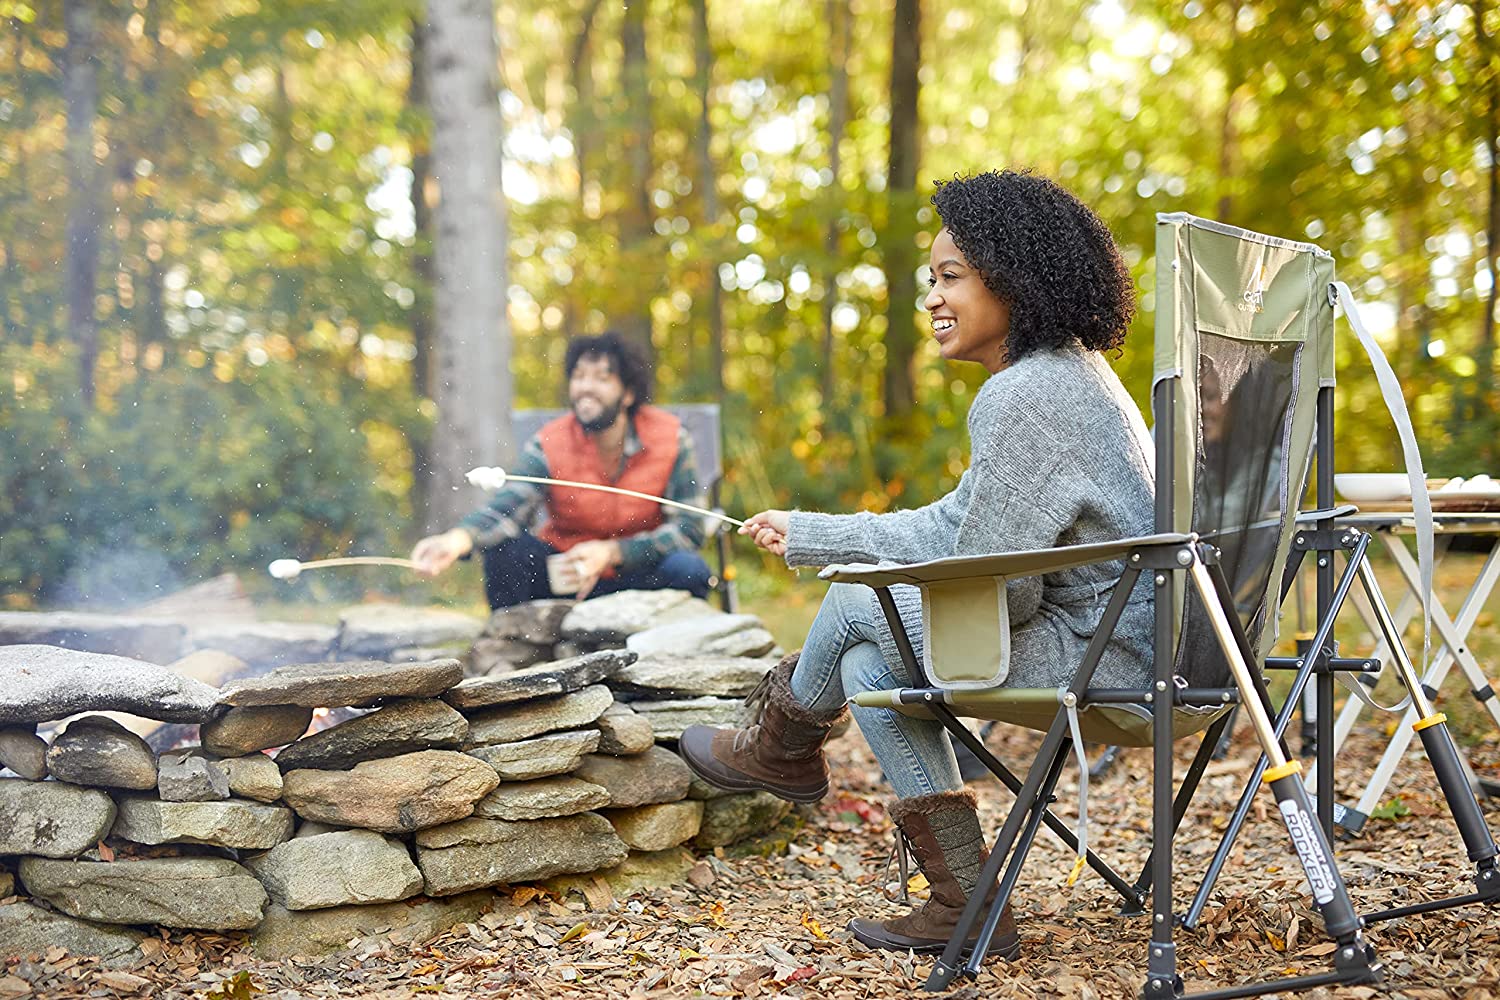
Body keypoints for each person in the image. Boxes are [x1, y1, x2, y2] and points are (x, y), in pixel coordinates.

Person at [680, 170, 1154, 958]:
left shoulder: (1024, 396)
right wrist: (810, 532)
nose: (932, 298)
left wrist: (852, 568)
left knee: (858, 607)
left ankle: (783, 749)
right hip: (1137, 650)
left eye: (952, 277)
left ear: (1016, 277)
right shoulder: (1068, 376)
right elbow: (958, 527)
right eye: (931, 278)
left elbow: (1001, 591)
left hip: (1112, 661)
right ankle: (967, 902)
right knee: (868, 670)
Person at [411, 332, 713, 609]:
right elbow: (508, 507)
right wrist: (456, 540)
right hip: (564, 578)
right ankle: (513, 646)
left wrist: (614, 552)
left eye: (602, 378)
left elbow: (690, 528)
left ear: (628, 394)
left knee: (690, 570)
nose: (585, 388)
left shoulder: (671, 438)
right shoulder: (549, 442)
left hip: (638, 578)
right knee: (507, 553)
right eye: (578, 376)